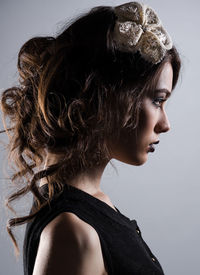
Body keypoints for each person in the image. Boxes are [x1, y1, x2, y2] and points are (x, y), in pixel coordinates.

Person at [0, 2, 181, 275]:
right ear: (106, 96)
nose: (165, 125)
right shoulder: (72, 233)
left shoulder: (93, 206)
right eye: (157, 100)